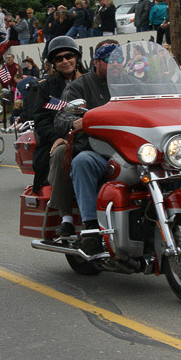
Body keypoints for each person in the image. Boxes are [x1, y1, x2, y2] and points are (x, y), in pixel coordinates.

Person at [53, 40, 120, 251]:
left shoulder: (133, 84)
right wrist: (75, 122)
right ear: (97, 62)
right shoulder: (79, 87)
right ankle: (91, 228)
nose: (116, 66)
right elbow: (60, 119)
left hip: (133, 151)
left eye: (120, 61)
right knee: (81, 161)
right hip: (97, 151)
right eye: (110, 61)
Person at [29, 37, 84, 236]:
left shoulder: (91, 80)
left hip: (92, 136)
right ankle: (66, 217)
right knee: (61, 153)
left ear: (77, 57)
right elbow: (41, 119)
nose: (65, 61)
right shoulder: (46, 87)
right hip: (59, 140)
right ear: (54, 63)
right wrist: (56, 138)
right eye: (59, 58)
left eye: (68, 56)